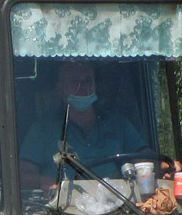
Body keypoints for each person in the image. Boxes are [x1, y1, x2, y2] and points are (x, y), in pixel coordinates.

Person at [19, 60, 147, 191]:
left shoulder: (118, 124)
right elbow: (23, 174)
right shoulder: (42, 129)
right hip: (62, 208)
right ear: (60, 88)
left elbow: (146, 159)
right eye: (75, 81)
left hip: (119, 206)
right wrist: (42, 181)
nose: (83, 86)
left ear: (95, 86)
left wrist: (157, 168)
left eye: (88, 80)